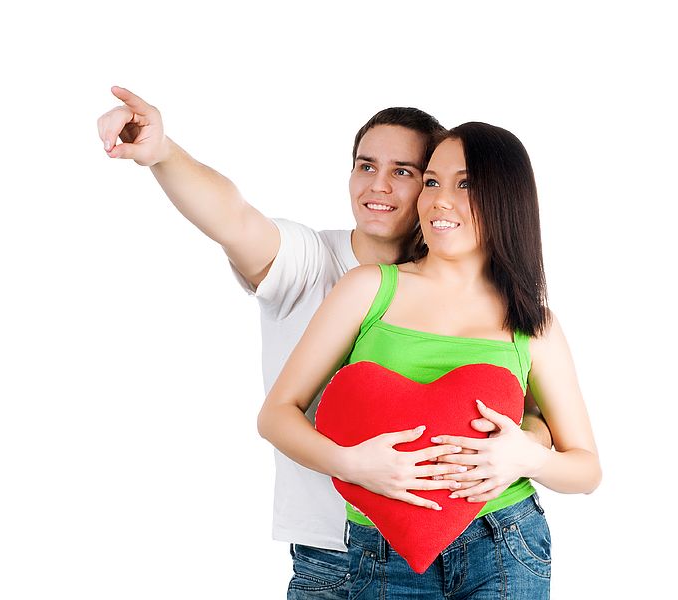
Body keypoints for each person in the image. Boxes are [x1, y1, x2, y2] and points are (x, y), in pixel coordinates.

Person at [96, 89, 554, 598]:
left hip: (465, 536)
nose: (378, 185)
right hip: (330, 547)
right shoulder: (311, 261)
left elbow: (525, 403)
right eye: (365, 165)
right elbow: (233, 217)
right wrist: (163, 152)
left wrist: (530, 444)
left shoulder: (484, 298)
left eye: (406, 172)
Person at [257, 122, 601, 598]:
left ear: (505, 199)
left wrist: (528, 456)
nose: (440, 199)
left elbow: (586, 469)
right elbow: (276, 415)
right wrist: (350, 463)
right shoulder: (369, 288)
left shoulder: (532, 321)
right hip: (381, 545)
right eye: (433, 181)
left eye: (465, 185)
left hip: (504, 541)